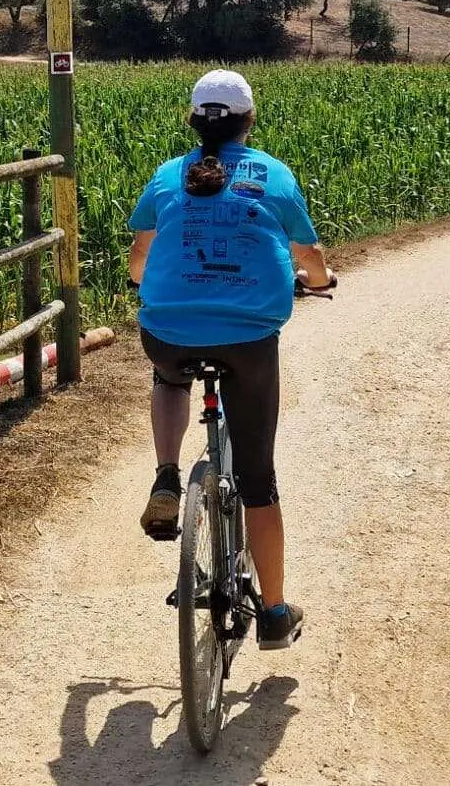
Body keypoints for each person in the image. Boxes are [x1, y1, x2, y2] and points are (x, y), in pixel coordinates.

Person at [127, 69, 335, 651]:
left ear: (194, 121)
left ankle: (168, 475)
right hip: (248, 340)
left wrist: (148, 282)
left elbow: (140, 254)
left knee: (169, 377)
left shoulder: (169, 175)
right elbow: (309, 255)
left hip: (167, 328)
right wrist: (318, 281)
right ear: (249, 120)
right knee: (257, 479)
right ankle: (272, 612)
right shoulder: (272, 174)